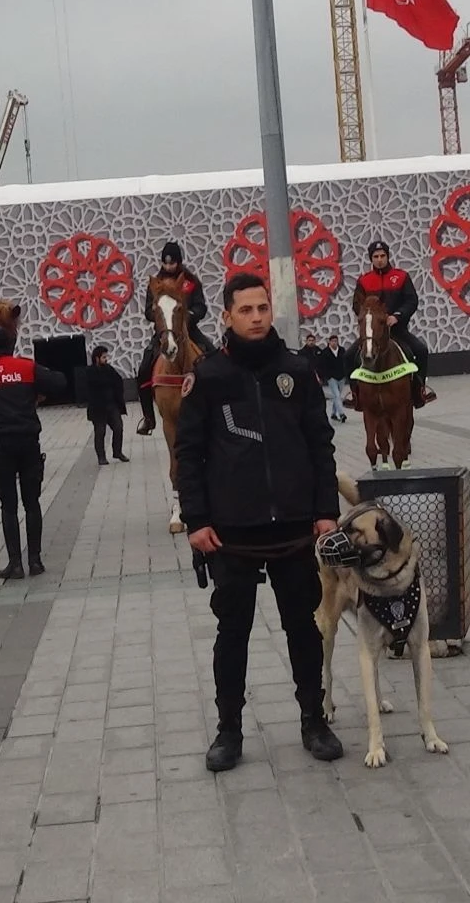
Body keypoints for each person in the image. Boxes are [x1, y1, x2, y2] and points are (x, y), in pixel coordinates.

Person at [176, 272, 344, 772]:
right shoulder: (207, 378)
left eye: (262, 309)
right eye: (245, 310)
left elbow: (320, 447)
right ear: (226, 316)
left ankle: (314, 719)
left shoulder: (297, 370)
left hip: (294, 527)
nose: (255, 318)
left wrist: (325, 513)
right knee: (233, 633)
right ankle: (229, 731)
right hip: (232, 532)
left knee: (303, 629)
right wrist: (196, 520)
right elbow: (189, 455)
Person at [0, 326, 70, 580]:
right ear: (11, 346)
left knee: (8, 506)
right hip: (28, 442)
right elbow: (60, 382)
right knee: (32, 503)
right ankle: (35, 561)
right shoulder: (26, 367)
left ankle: (15, 564)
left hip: (0, 446)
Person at [135, 241, 217, 435]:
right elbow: (148, 310)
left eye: (172, 263)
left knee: (214, 357)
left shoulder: (191, 282)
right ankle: (148, 418)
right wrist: (156, 313)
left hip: (189, 329)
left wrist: (188, 314)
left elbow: (201, 307)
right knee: (143, 370)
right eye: (166, 263)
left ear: (179, 262)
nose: (169, 266)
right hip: (164, 333)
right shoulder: (156, 284)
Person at [350, 240, 437, 409]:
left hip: (398, 330)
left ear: (388, 257)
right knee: (348, 357)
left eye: (383, 256)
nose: (380, 259)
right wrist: (370, 319)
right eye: (376, 256)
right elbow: (357, 305)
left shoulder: (401, 277)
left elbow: (412, 300)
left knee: (421, 350)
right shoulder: (364, 281)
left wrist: (397, 316)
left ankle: (420, 391)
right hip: (374, 334)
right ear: (371, 259)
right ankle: (355, 395)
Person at [85, 344, 130, 467]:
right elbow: (94, 385)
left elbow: (118, 380)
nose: (106, 359)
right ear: (97, 358)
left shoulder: (109, 369)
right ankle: (101, 457)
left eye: (106, 357)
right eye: (104, 357)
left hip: (112, 406)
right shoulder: (90, 371)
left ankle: (117, 452)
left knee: (118, 428)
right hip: (98, 408)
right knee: (100, 432)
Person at [324, 334, 349, 423]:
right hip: (332, 378)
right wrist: (327, 376)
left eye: (336, 341)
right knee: (337, 395)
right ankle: (341, 414)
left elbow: (345, 362)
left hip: (341, 377)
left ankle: (333, 413)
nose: (334, 343)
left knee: (336, 396)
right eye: (333, 341)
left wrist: (346, 373)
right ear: (329, 342)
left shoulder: (342, 350)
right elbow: (324, 365)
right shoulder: (325, 352)